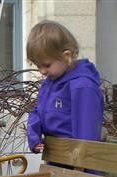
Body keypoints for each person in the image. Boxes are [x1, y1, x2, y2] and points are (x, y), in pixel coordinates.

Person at [26, 20, 104, 154]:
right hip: (56, 158)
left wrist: (80, 169)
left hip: (75, 163)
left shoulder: (82, 87)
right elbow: (38, 112)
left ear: (66, 56)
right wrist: (34, 139)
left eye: (47, 65)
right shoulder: (50, 83)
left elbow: (87, 136)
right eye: (38, 66)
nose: (42, 71)